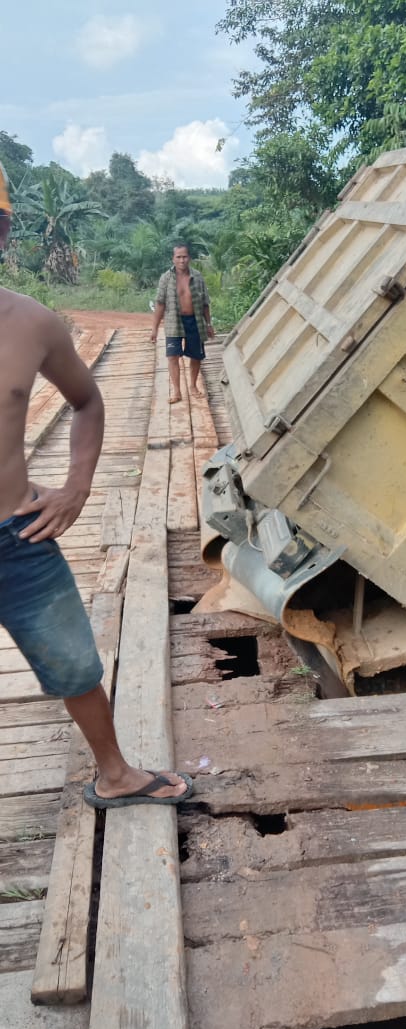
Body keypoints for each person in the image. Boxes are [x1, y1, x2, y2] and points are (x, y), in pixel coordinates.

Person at [0, 164, 191, 808]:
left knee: (76, 665)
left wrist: (77, 488)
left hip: (18, 537)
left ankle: (116, 775)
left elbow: (86, 401)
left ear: (3, 233)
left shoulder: (32, 325)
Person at [150, 243, 215, 404]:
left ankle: (193, 386)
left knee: (196, 356)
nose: (182, 260)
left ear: (189, 258)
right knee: (172, 356)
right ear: (173, 259)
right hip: (174, 321)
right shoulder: (166, 278)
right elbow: (160, 303)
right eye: (178, 257)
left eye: (184, 256)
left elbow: (205, 302)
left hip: (195, 320)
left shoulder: (198, 277)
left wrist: (208, 324)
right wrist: (154, 328)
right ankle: (177, 391)